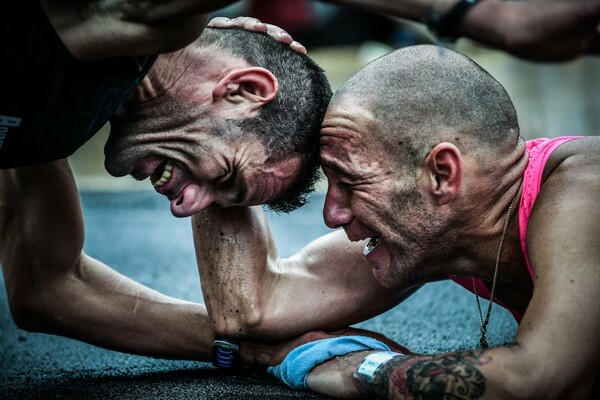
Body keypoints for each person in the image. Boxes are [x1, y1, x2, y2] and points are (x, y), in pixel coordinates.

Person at [195, 45, 599, 398]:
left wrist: (361, 368)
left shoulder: (586, 190)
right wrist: (209, 134)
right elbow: (253, 309)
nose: (332, 214)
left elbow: (541, 381)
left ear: (442, 175)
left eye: (350, 182)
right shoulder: (456, 223)